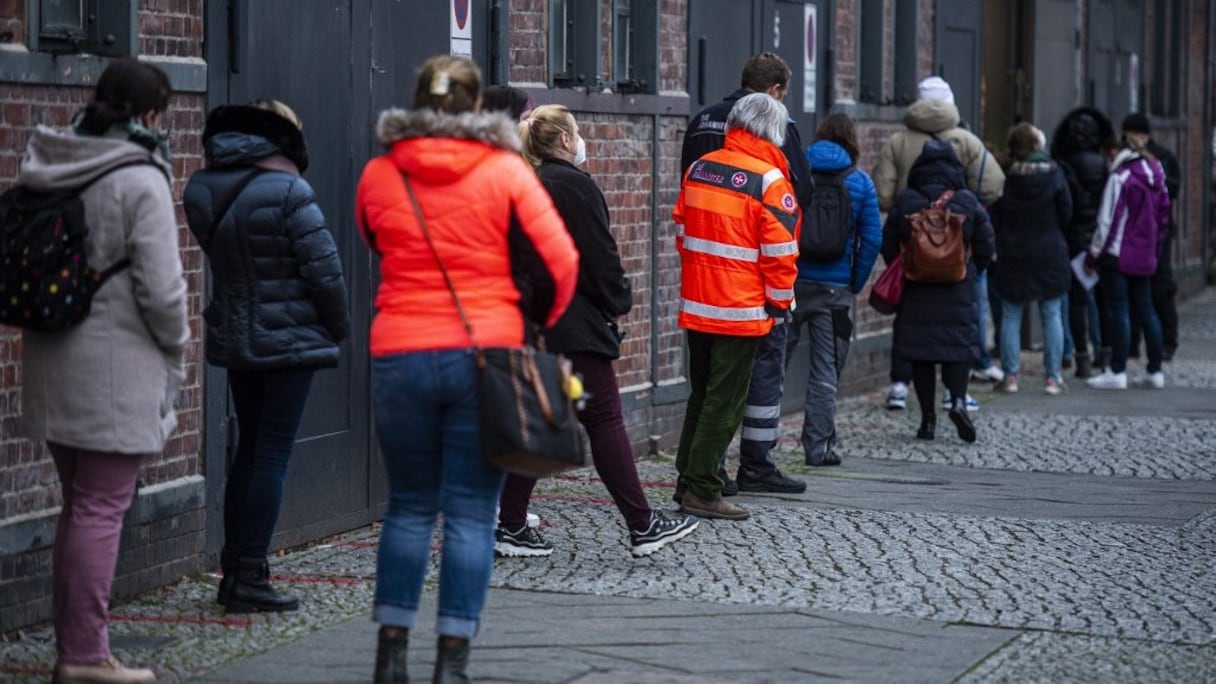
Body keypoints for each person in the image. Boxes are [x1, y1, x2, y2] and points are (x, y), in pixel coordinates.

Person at [355, 55, 579, 683]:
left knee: (408, 508)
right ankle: (452, 661)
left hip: (399, 350)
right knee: (473, 514)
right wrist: (533, 318)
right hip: (486, 356)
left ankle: (391, 651)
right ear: (477, 107)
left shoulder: (380, 172)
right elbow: (561, 261)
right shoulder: (506, 171)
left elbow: (373, 236)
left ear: (416, 103)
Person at [18, 58, 186, 684]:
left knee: (77, 507)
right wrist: (177, 349)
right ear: (149, 114)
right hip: (117, 368)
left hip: (55, 356)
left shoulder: (55, 161)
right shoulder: (138, 178)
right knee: (99, 510)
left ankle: (79, 647)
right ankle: (86, 658)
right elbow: (165, 294)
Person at [494, 104, 699, 558]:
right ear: (565, 140)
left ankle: (509, 524)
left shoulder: (530, 182)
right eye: (577, 132)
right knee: (604, 419)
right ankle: (643, 525)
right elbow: (598, 256)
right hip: (572, 323)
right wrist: (618, 299)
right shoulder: (572, 186)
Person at [183, 100, 351, 613]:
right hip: (290, 338)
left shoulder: (203, 189)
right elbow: (324, 272)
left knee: (249, 453)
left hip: (238, 336)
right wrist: (339, 328)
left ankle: (236, 569)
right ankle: (251, 576)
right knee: (271, 455)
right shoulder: (290, 190)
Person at [680, 51, 811, 495]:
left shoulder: (700, 166)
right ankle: (704, 486)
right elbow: (781, 252)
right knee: (727, 398)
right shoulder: (771, 179)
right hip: (741, 306)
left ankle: (690, 477)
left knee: (700, 395)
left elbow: (685, 231)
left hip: (697, 299)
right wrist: (777, 303)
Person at [873, 76, 1005, 411]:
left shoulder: (898, 142)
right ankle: (956, 392)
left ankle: (900, 386)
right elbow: (994, 185)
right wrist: (965, 208)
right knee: (962, 320)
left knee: (911, 324)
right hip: (960, 256)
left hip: (912, 254)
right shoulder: (968, 141)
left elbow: (883, 195)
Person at [881, 140, 994, 443]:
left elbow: (888, 244)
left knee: (921, 355)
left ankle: (927, 420)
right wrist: (970, 271)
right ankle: (957, 401)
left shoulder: (907, 201)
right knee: (958, 351)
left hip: (917, 289)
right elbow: (987, 245)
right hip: (958, 288)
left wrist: (908, 263)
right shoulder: (967, 201)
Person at [787, 113, 882, 466]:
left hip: (791, 283)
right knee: (825, 370)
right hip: (835, 291)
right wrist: (854, 282)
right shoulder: (860, 183)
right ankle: (817, 448)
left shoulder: (796, 173)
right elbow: (872, 238)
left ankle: (758, 447)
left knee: (772, 365)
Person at [988, 123, 1073, 395]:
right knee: (1051, 313)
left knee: (1011, 314)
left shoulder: (1006, 178)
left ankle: (1010, 377)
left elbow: (996, 218)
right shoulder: (1055, 174)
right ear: (1037, 145)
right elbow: (1066, 213)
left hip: (1014, 252)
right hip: (1049, 250)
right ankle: (1053, 377)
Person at [1085, 135, 1171, 390]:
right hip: (1145, 254)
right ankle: (1155, 370)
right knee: (1146, 308)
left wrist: (1093, 255)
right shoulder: (1157, 176)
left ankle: (1118, 370)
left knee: (1119, 310)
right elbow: (1164, 218)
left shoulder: (1120, 178)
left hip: (1118, 254)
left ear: (1114, 151)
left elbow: (1106, 221)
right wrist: (1155, 249)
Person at [1051, 107, 1115, 378]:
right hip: (1100, 239)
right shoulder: (1103, 165)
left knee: (1077, 301)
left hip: (1075, 239)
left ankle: (1083, 358)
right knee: (1104, 300)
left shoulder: (1064, 165)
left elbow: (1064, 206)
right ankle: (1106, 353)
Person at [1122, 113, 1181, 362]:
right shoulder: (1127, 158)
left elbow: (1171, 189)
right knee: (1142, 289)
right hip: (1145, 232)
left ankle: (1163, 342)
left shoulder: (1160, 158)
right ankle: (1137, 343)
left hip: (1154, 233)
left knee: (1158, 288)